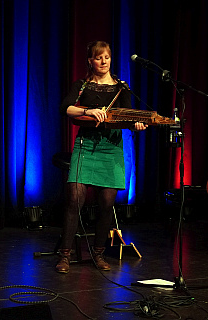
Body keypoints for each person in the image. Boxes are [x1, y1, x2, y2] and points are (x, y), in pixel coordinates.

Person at [56, 41, 147, 273]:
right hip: (86, 145)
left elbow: (128, 117)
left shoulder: (121, 87)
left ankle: (99, 254)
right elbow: (65, 108)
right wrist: (87, 111)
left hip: (111, 148)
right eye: (98, 58)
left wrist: (136, 124)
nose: (103, 62)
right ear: (90, 61)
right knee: (75, 199)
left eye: (106, 57)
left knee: (107, 203)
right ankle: (65, 255)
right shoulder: (83, 84)